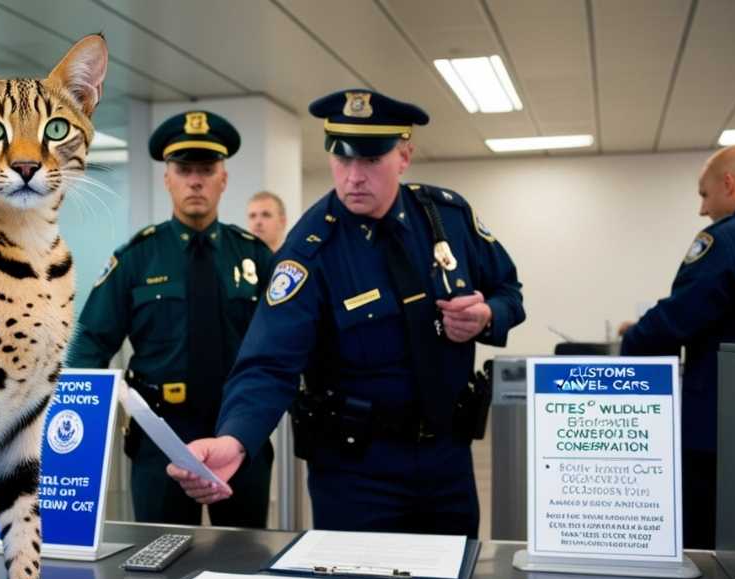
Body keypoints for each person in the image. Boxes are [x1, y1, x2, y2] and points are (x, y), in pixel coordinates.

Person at [168, 90, 525, 538]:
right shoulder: (309, 249)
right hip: (357, 474)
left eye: (372, 160)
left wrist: (488, 315)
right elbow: (269, 361)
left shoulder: (447, 218)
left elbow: (509, 291)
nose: (354, 176)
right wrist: (235, 438)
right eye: (342, 158)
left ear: (404, 156)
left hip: (447, 463)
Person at [67, 110, 275, 526]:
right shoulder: (137, 258)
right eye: (184, 170)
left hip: (237, 431)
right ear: (168, 179)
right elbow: (89, 345)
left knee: (246, 561)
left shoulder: (254, 257)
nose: (195, 180)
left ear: (223, 179)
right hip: (161, 438)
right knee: (159, 564)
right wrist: (73, 427)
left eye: (206, 169)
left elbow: (285, 344)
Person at [617, 145, 735, 549]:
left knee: (708, 542)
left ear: (729, 183)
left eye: (704, 195)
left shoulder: (723, 240)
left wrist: (632, 341)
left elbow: (679, 317)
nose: (702, 209)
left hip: (719, 427)